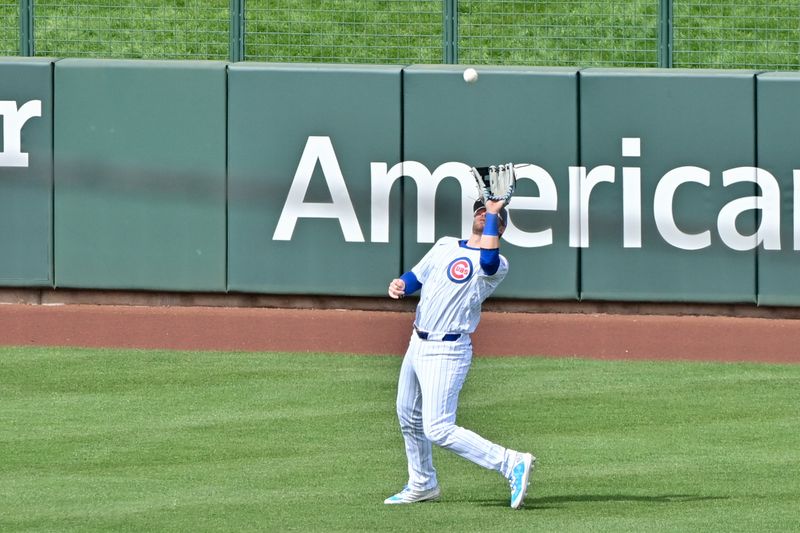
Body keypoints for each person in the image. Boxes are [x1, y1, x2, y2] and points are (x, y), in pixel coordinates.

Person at [384, 197, 535, 509]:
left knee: (437, 427)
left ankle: (510, 462)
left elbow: (489, 260)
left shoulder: (496, 264)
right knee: (408, 416)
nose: (484, 214)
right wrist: (401, 283)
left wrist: (494, 213)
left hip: (448, 350)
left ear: (500, 228)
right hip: (417, 342)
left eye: (491, 215)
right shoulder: (445, 244)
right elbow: (418, 275)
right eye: (481, 210)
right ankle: (422, 483)